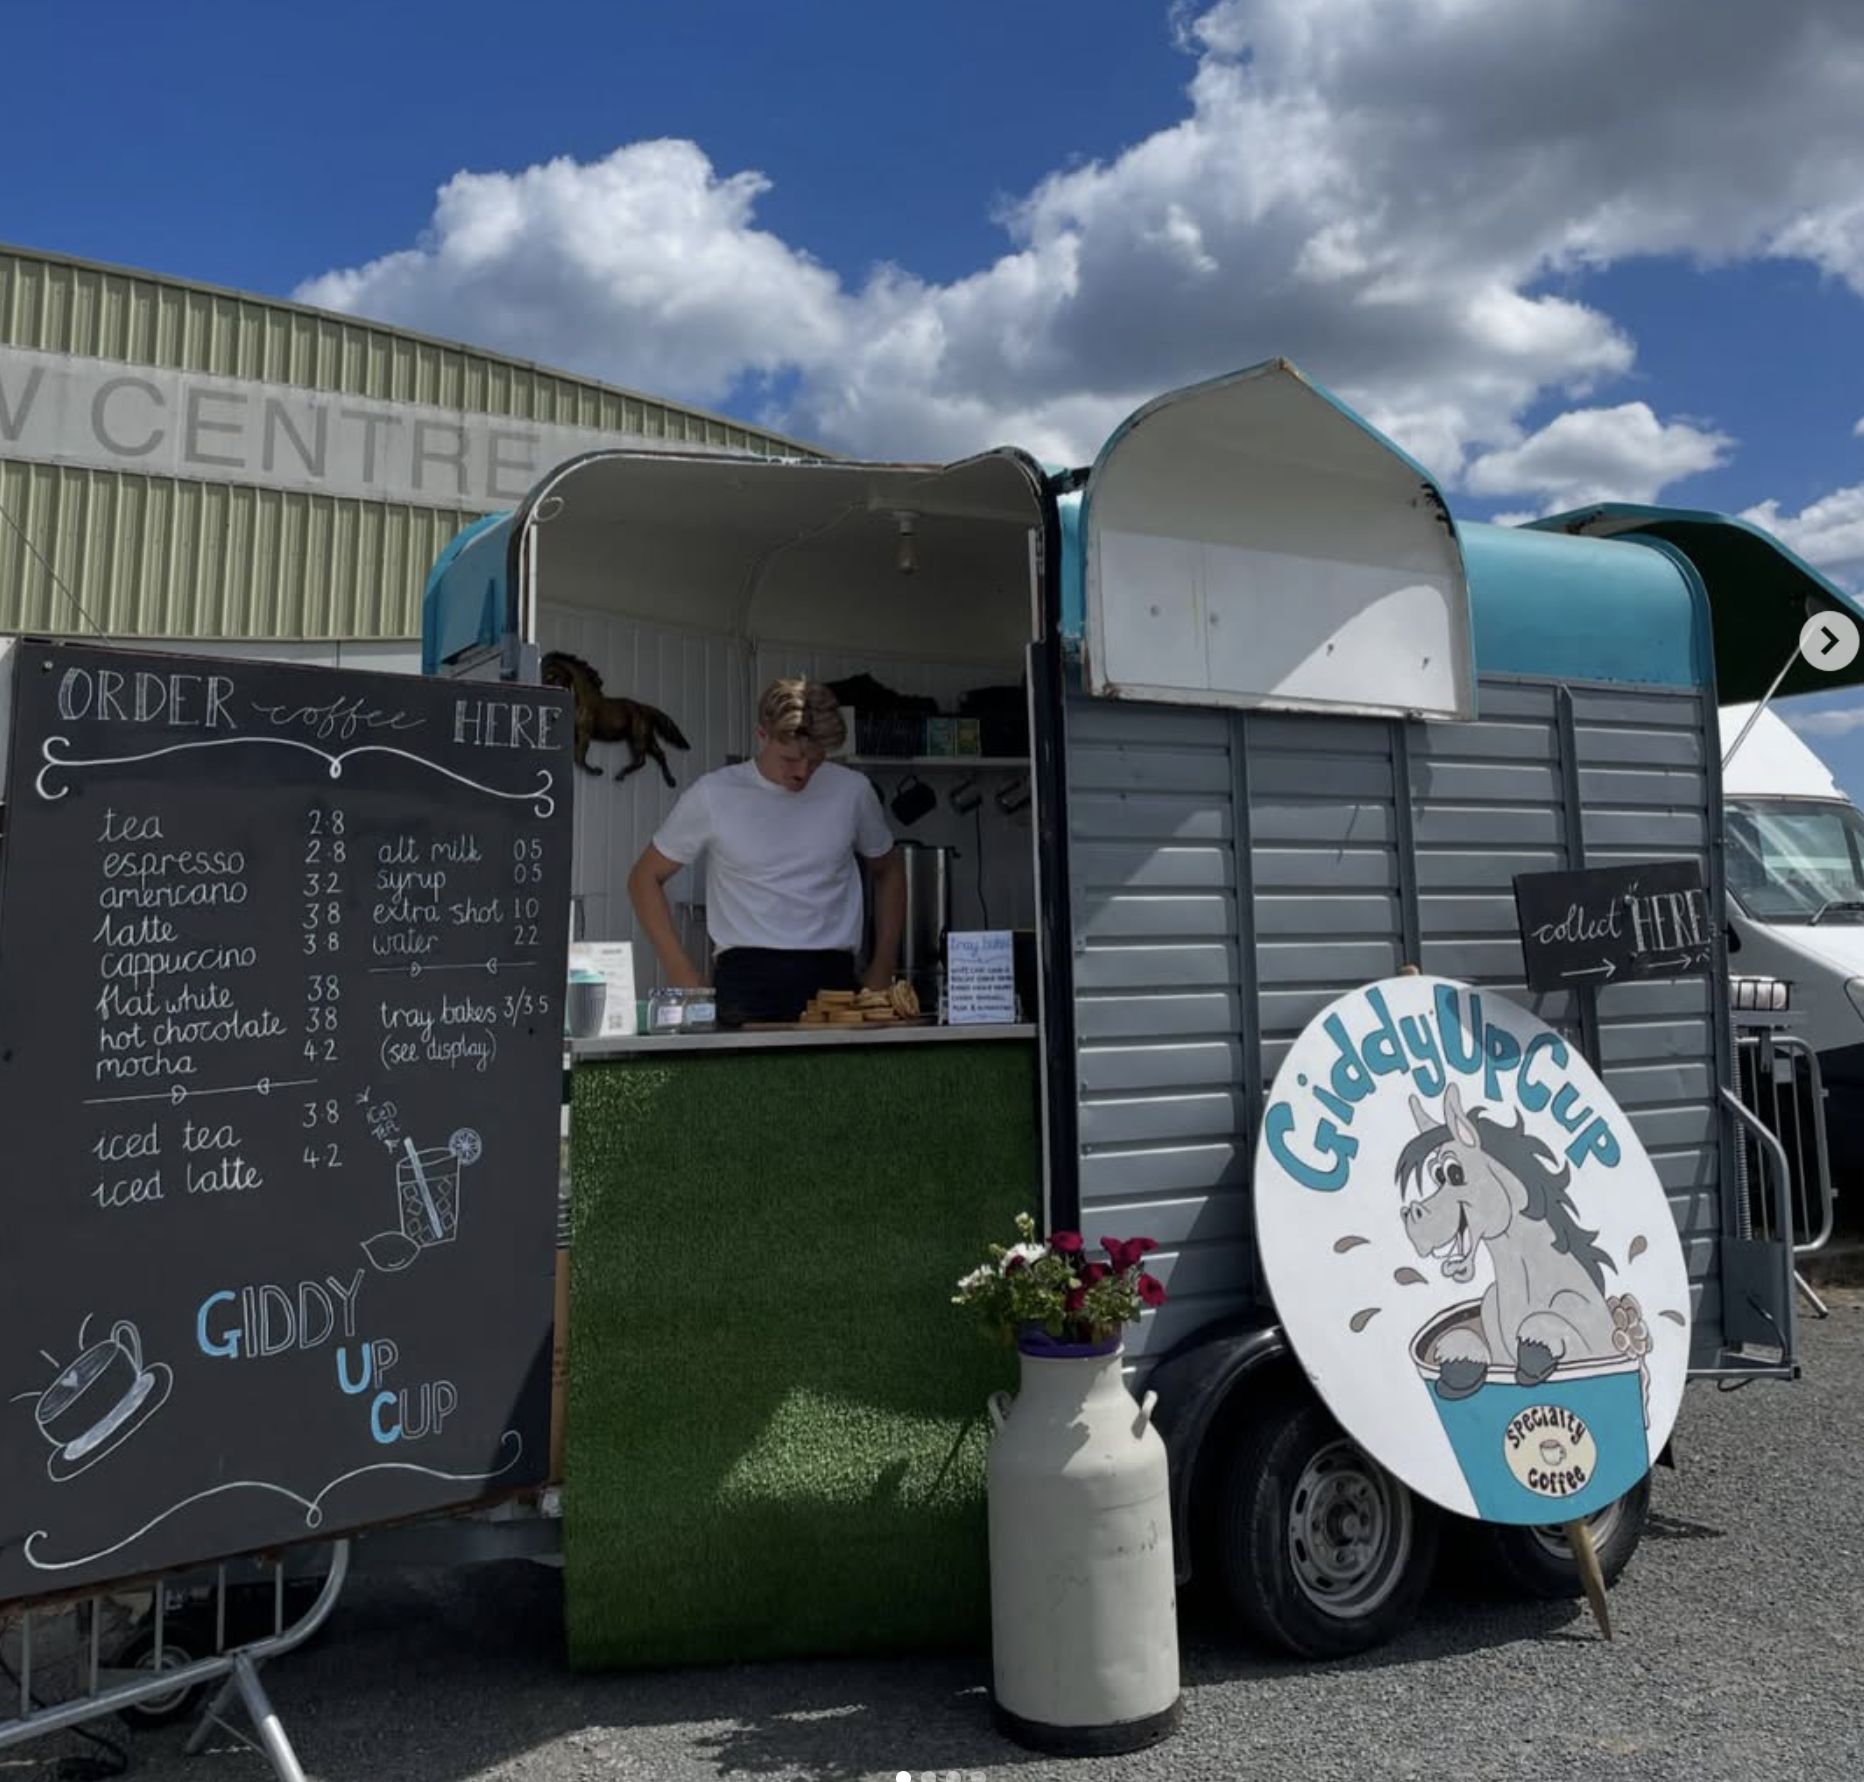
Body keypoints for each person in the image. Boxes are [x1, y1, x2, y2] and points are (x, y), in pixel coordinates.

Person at [626, 677, 907, 1026]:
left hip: (835, 981)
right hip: (746, 982)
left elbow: (890, 870)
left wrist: (883, 965)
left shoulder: (853, 791)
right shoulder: (714, 793)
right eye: (790, 759)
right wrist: (682, 973)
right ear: (762, 736)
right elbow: (643, 878)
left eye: (815, 761)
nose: (802, 772)